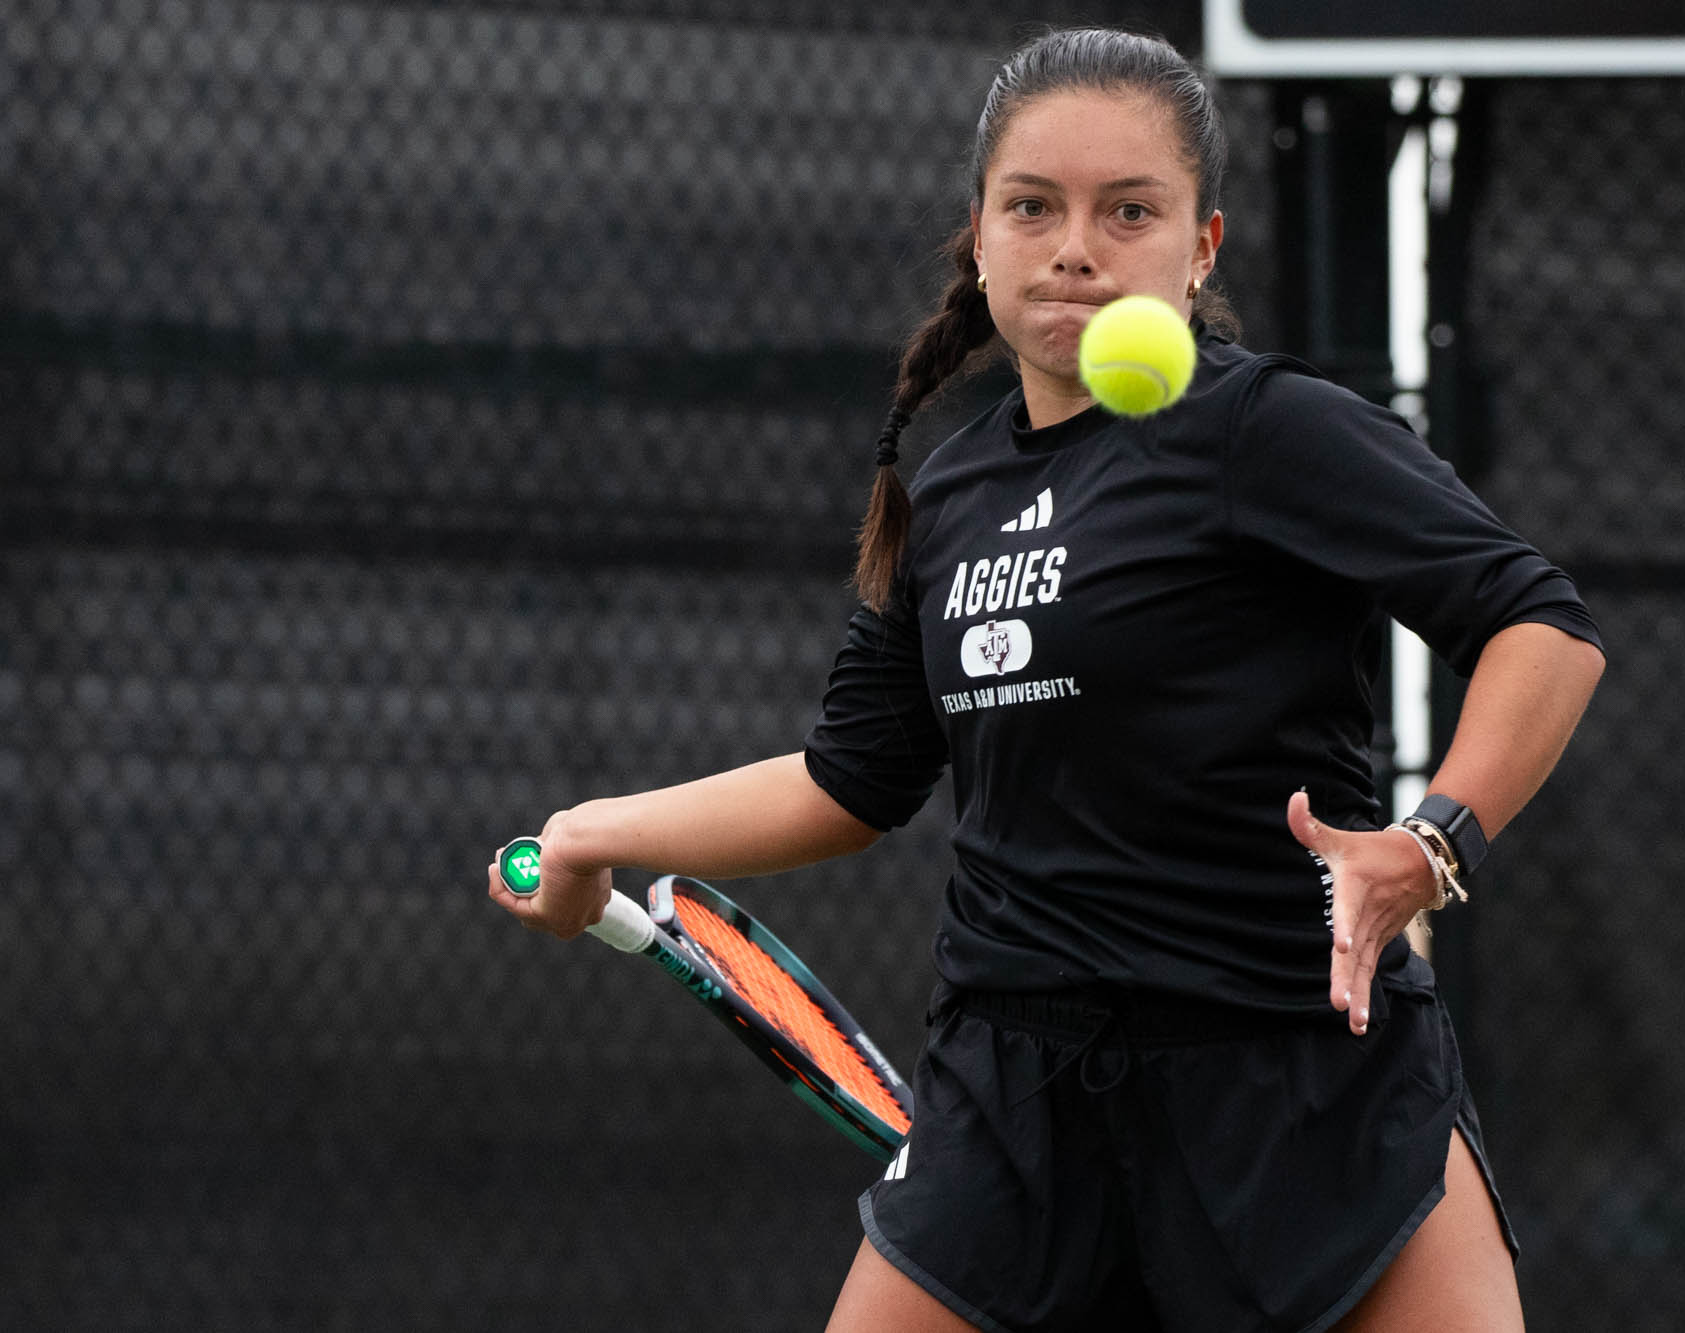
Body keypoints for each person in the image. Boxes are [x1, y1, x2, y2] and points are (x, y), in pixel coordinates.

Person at [489, 26, 1604, 1333]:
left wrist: (1430, 843)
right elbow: (849, 779)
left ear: (1201, 248)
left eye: (1129, 210)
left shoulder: (1272, 433)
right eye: (1035, 206)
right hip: (1015, 1107)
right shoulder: (946, 491)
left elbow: (1541, 625)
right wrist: (593, 832)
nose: (1077, 245)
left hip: (1299, 1081)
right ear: (982, 235)